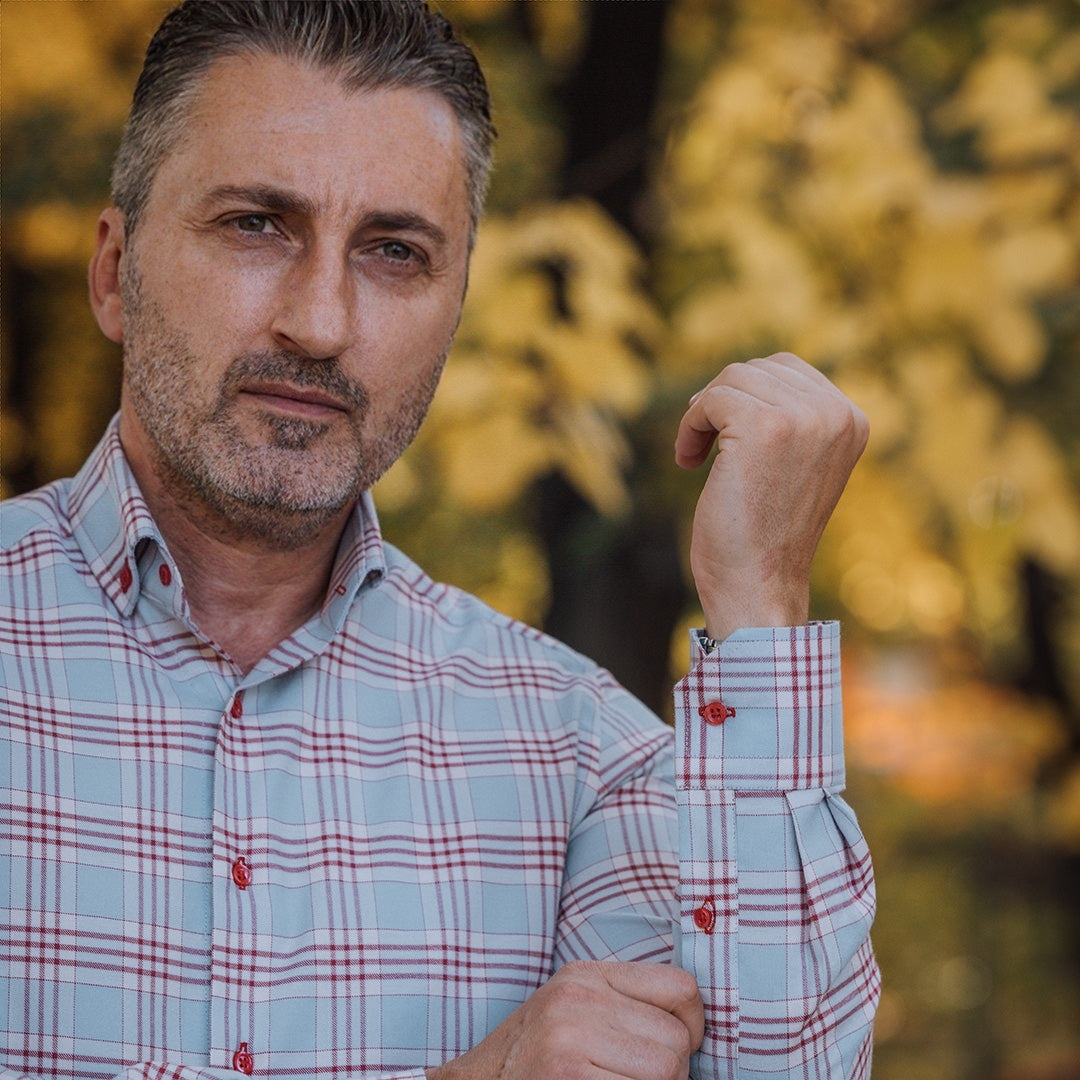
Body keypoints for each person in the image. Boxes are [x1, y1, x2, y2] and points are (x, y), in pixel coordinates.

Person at [0, 2, 879, 1078]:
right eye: (255, 225)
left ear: (454, 312)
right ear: (112, 273)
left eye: (394, 252)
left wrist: (762, 611)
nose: (319, 323)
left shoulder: (577, 755)